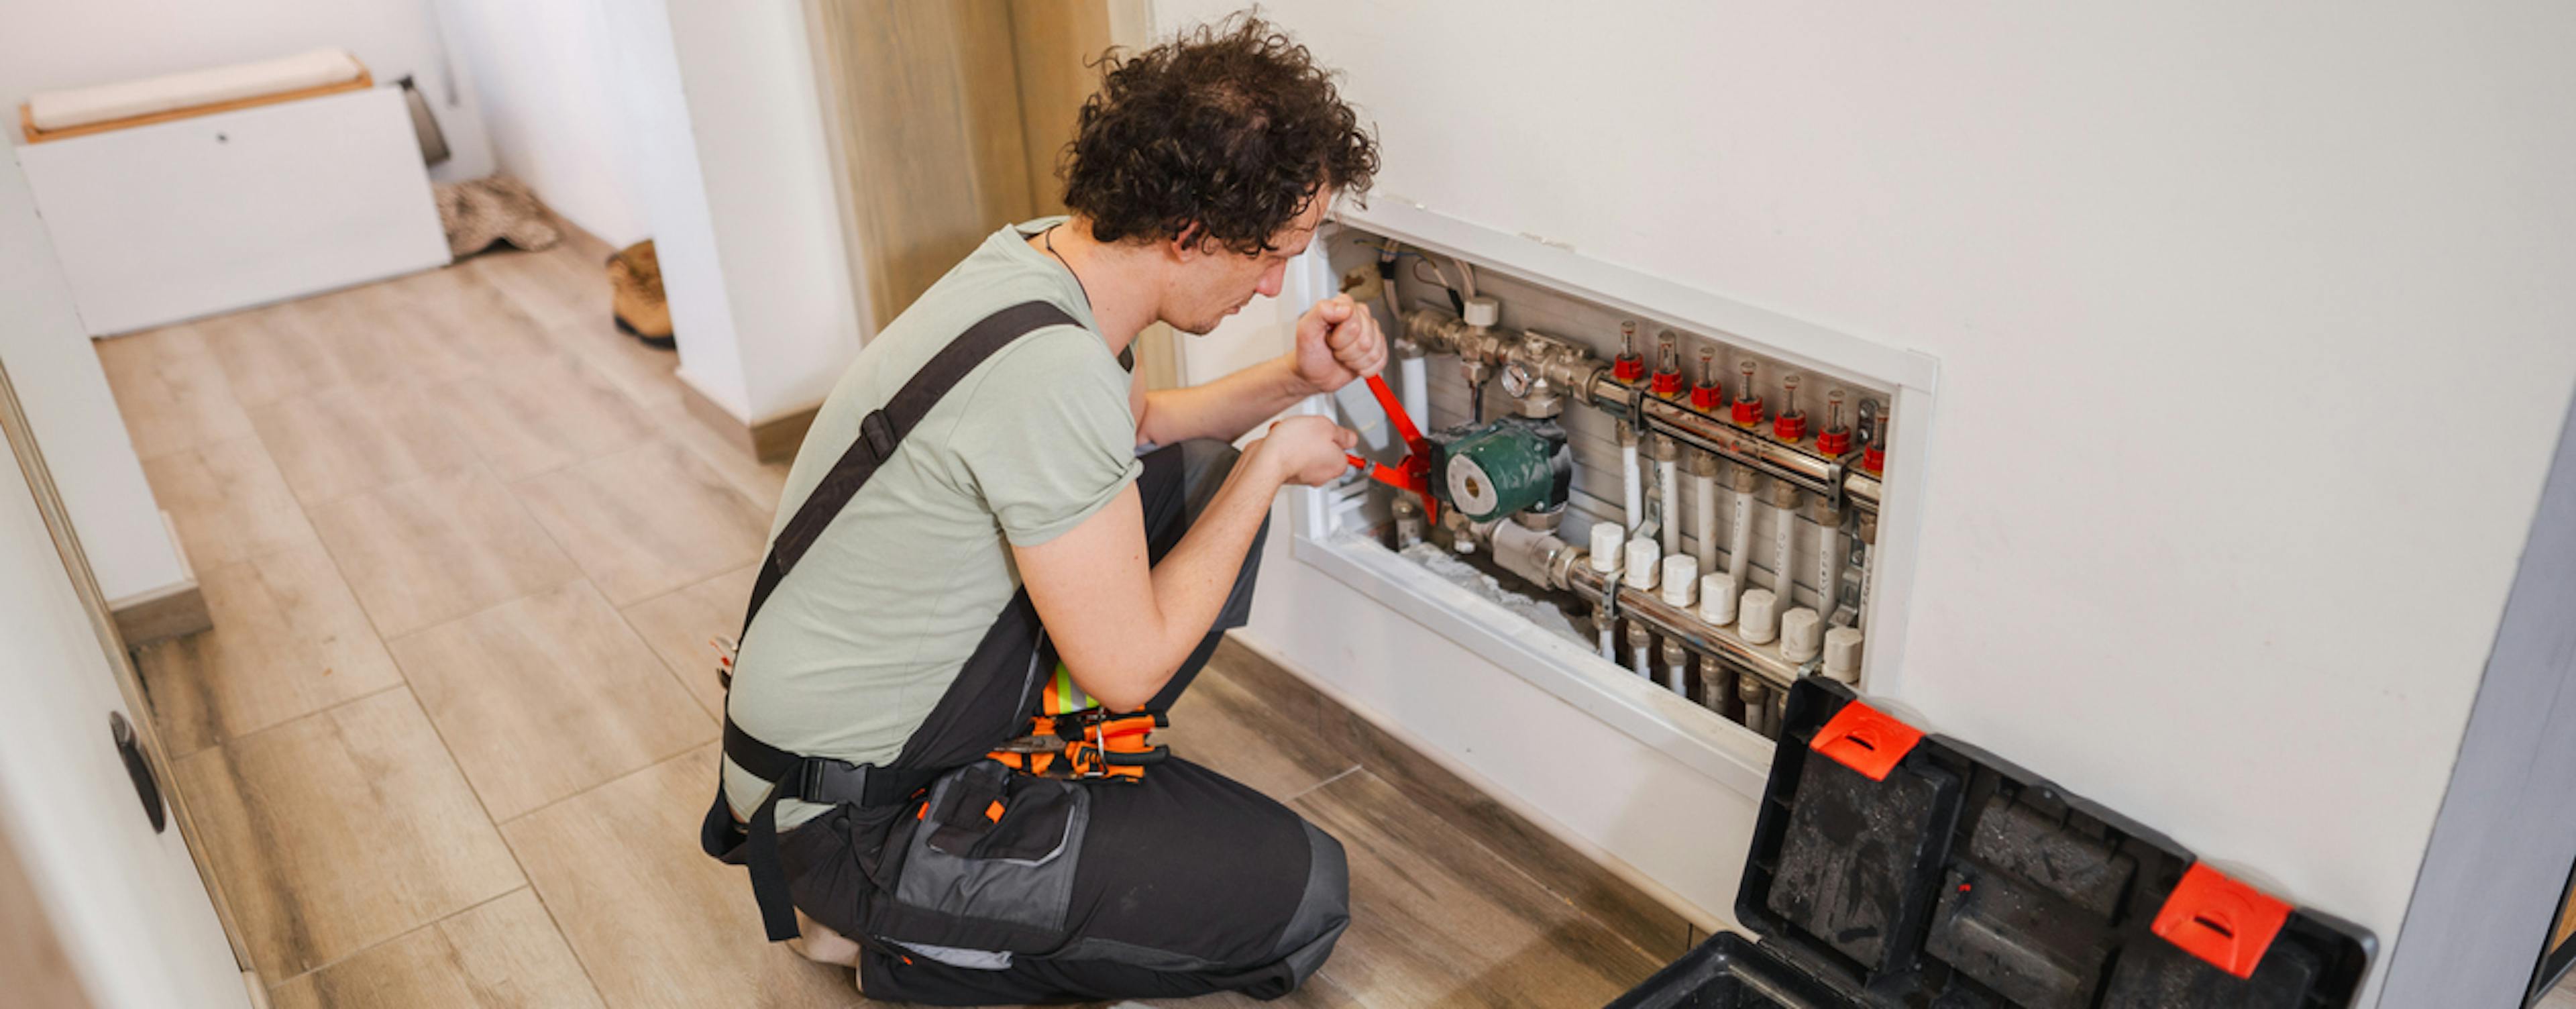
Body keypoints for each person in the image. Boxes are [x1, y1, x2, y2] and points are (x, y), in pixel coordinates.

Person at [699, 15, 1384, 1004]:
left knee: (1185, 478)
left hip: (825, 745)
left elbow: (1139, 425)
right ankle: (912, 929)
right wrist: (1269, 468)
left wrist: (1293, 379)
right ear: (1191, 234)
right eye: (1269, 255)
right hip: (842, 815)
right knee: (1303, 897)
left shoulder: (1043, 267)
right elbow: (1128, 668)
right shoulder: (1051, 369)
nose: (1275, 283)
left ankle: (1007, 807)